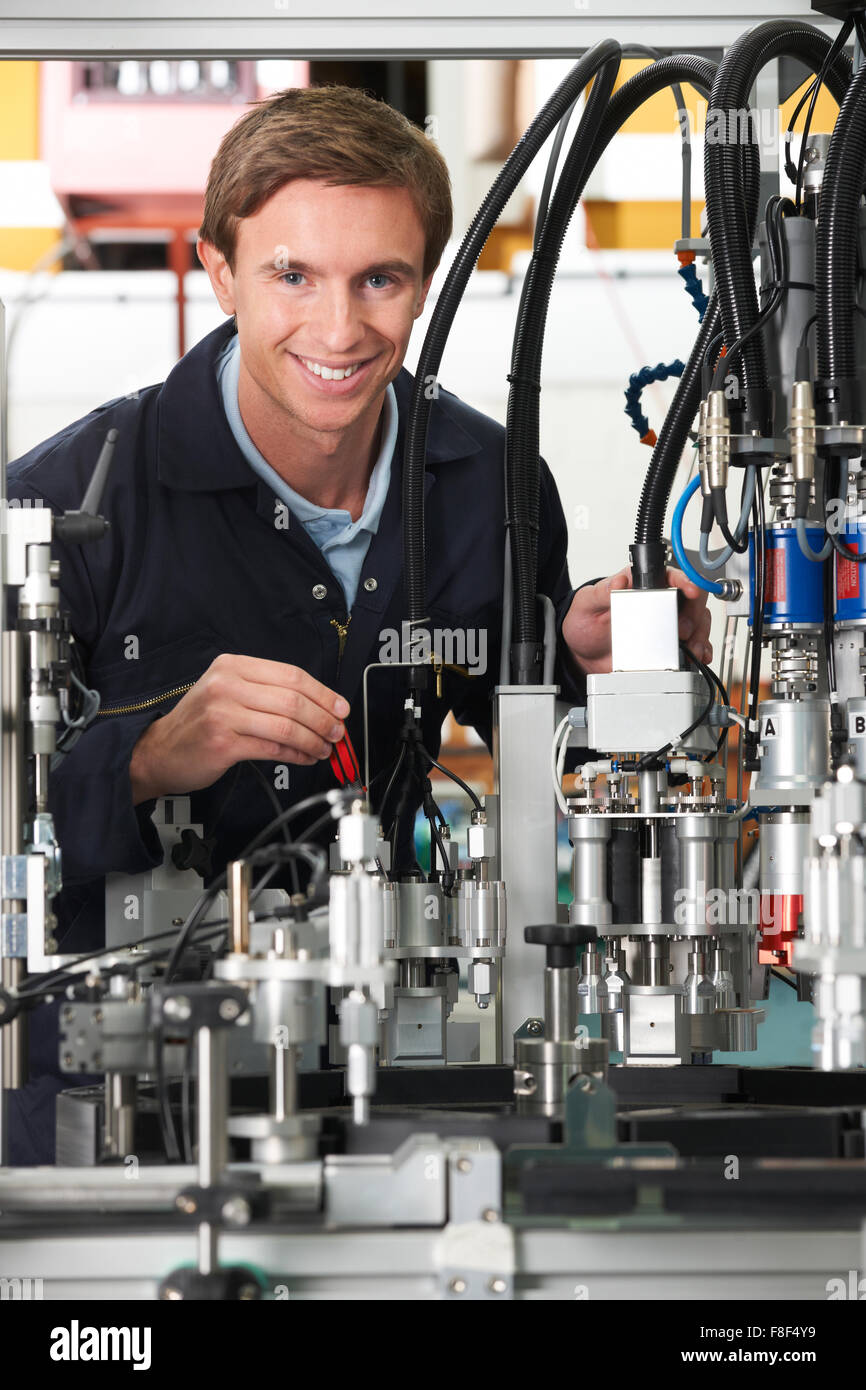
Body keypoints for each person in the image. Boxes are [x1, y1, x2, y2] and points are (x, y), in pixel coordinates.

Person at [6, 84, 711, 1163]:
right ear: (219, 269)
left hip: (391, 1059)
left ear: (425, 283)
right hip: (113, 1086)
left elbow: (547, 738)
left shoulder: (488, 486)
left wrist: (584, 671)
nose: (338, 330)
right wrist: (145, 758)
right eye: (292, 275)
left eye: (378, 278)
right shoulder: (70, 503)